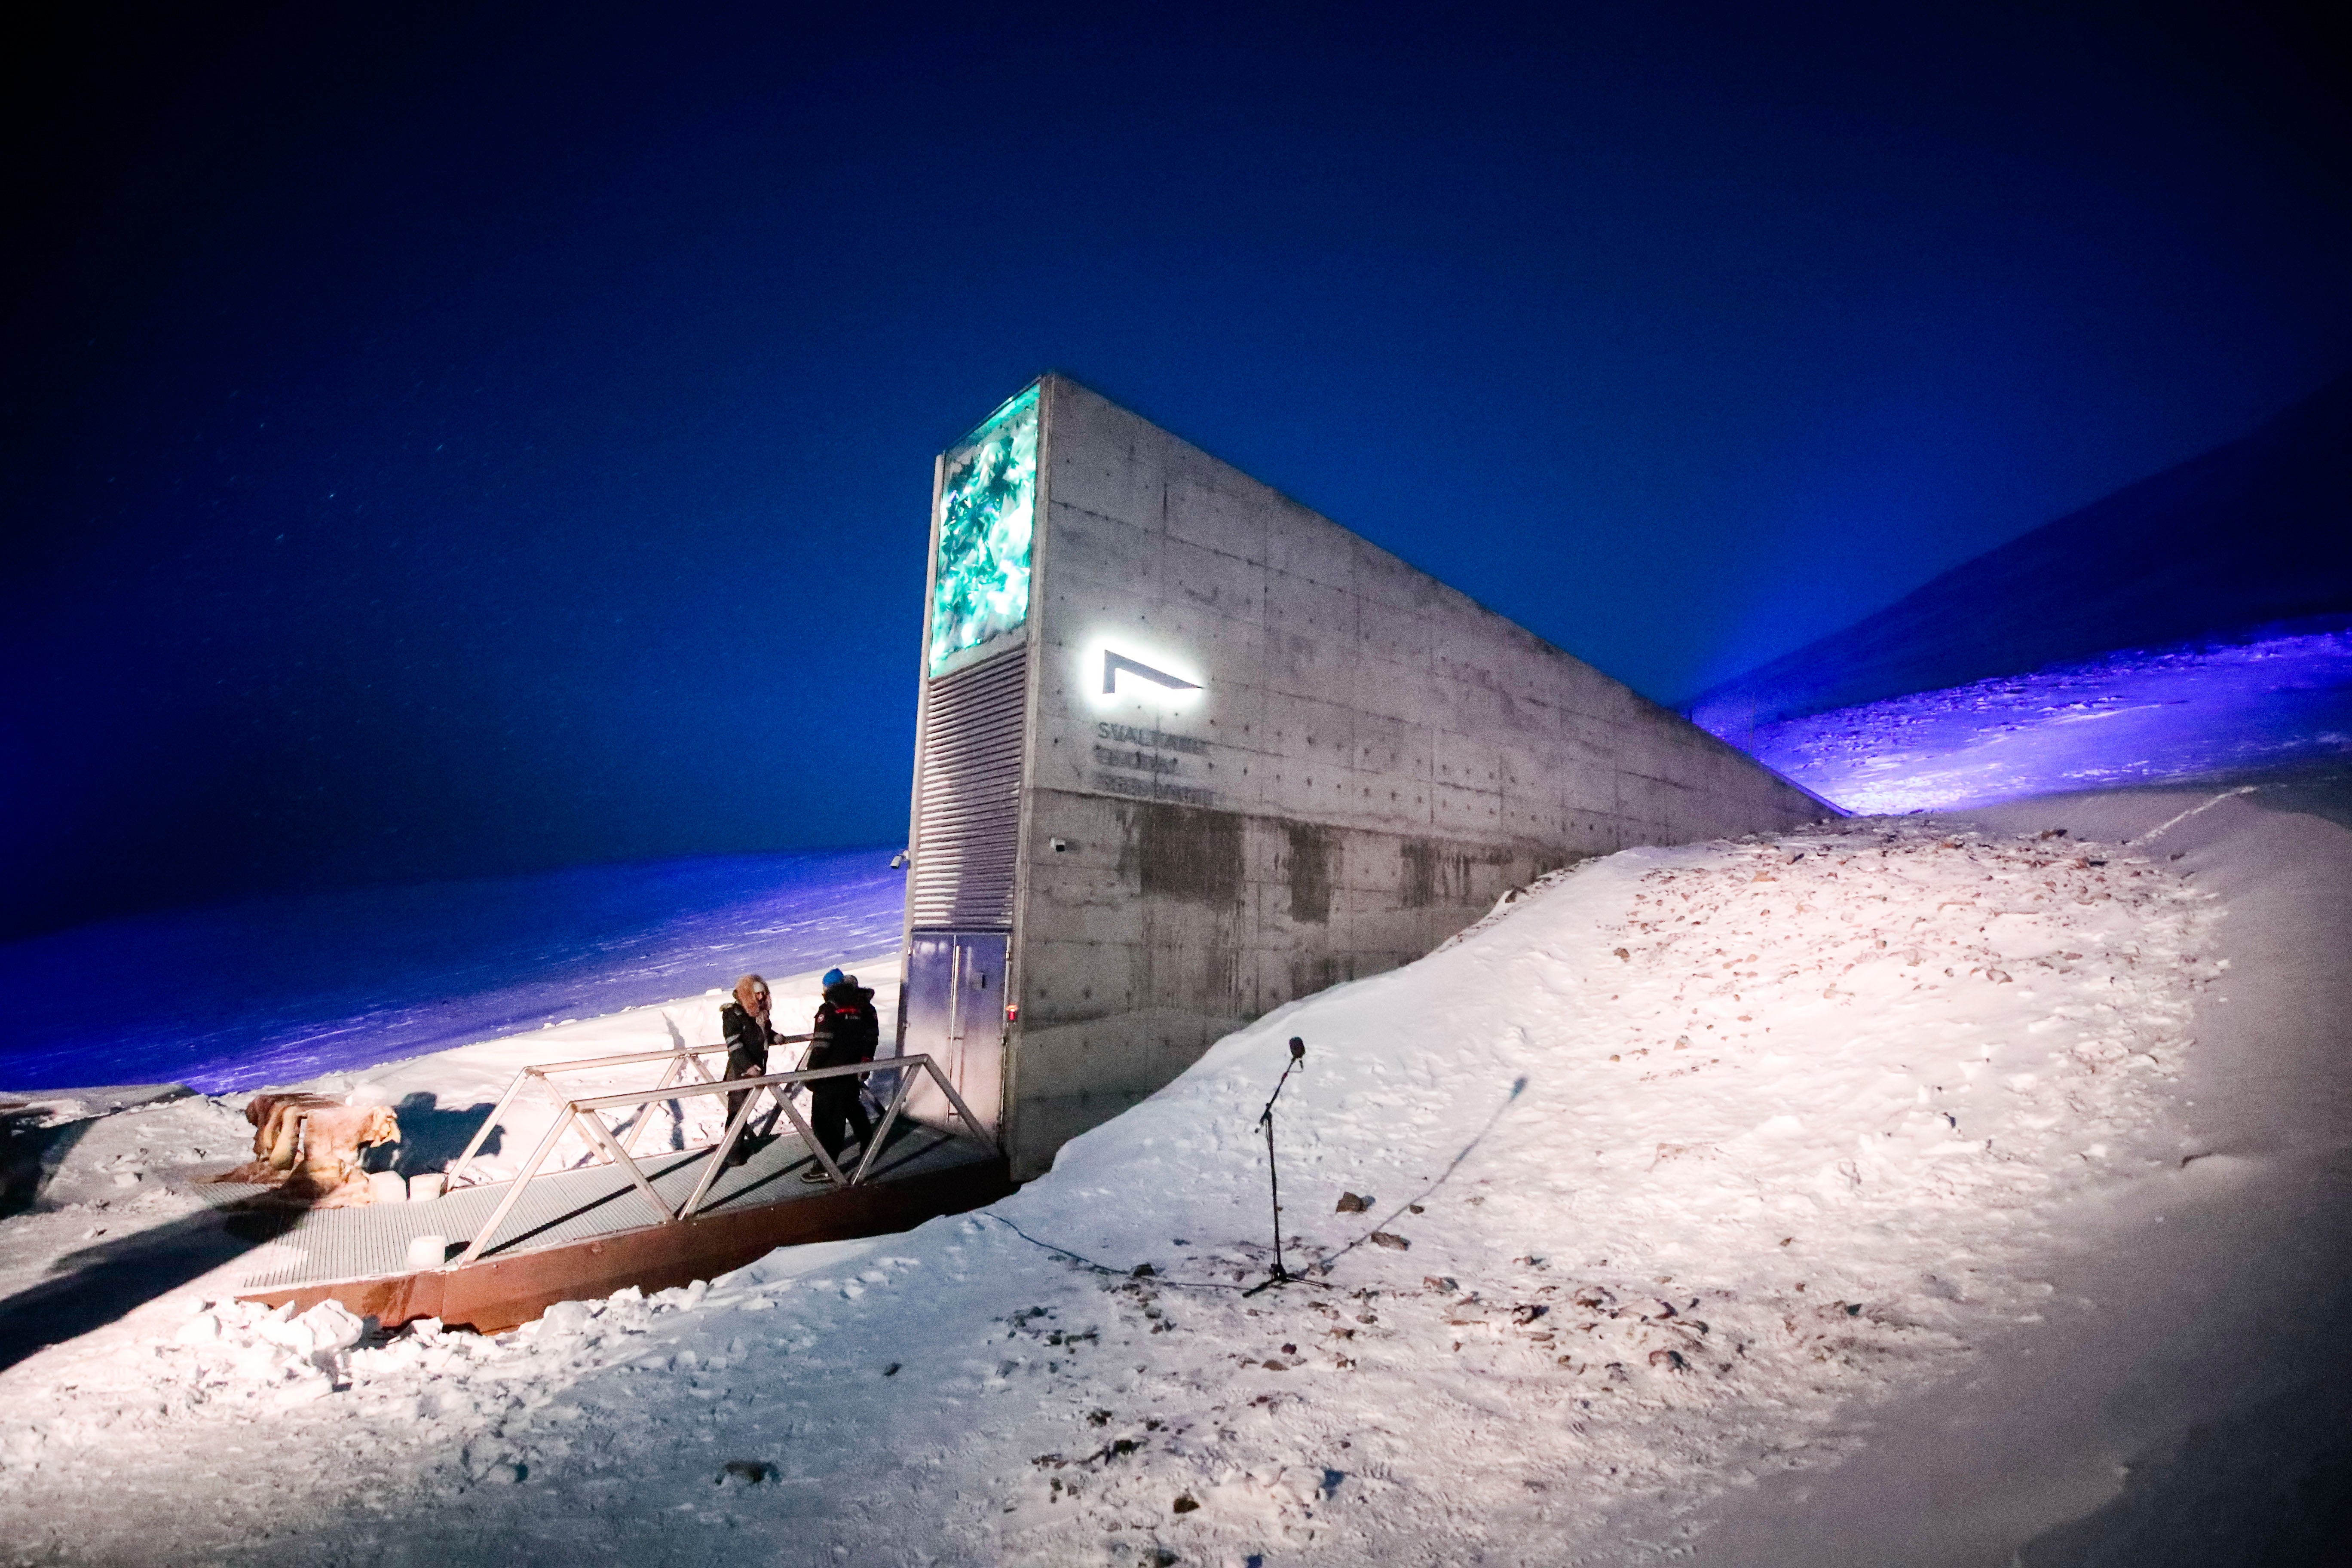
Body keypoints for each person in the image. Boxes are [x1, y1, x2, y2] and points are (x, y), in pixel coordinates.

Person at [801, 967, 879, 1182]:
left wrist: (812, 1073)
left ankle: (826, 1167)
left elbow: (821, 1046)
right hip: (847, 1072)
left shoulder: (832, 1010)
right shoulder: (855, 1009)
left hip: (830, 1075)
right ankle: (868, 1144)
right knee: (846, 1110)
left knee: (826, 1121)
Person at [718, 974, 777, 1167]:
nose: (760, 998)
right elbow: (734, 1045)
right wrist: (747, 1066)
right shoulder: (733, 1014)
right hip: (739, 1071)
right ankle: (732, 1153)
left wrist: (775, 1037)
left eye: (763, 994)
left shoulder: (758, 1014)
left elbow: (763, 1033)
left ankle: (738, 1147)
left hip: (755, 1069)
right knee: (737, 1112)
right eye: (757, 994)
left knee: (744, 1110)